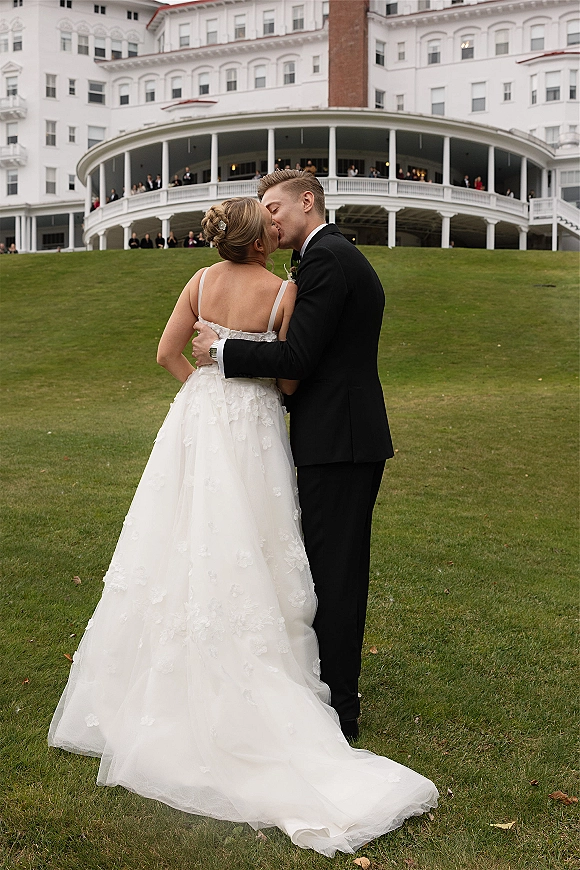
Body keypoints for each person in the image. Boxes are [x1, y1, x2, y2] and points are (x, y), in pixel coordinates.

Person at [48, 196, 438, 856]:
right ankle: (290, 678)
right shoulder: (282, 287)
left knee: (182, 535)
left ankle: (166, 676)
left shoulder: (198, 281)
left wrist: (202, 385)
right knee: (257, 541)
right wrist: (249, 386)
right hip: (254, 429)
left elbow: (169, 353)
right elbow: (289, 379)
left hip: (199, 421)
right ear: (263, 242)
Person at [193, 169, 389, 740]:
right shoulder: (329, 255)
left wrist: (222, 349)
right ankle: (328, 689)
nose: (267, 218)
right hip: (338, 436)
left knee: (334, 573)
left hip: (339, 441)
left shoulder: (327, 259)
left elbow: (298, 358)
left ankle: (340, 711)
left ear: (308, 202)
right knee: (330, 568)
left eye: (274, 207)